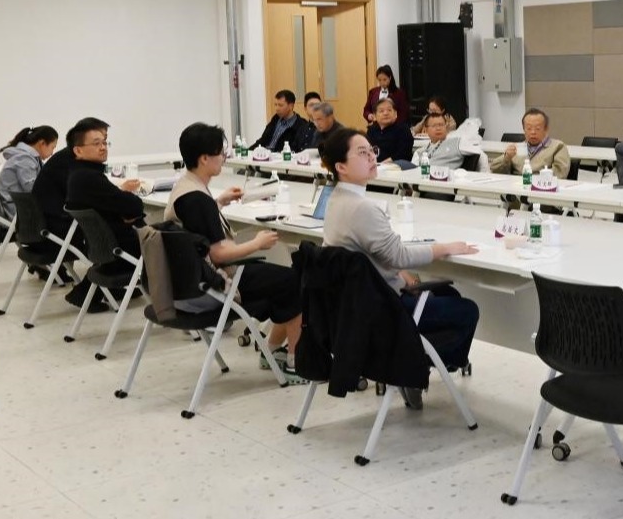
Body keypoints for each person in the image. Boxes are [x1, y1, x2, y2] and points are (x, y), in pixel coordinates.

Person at [320, 128, 480, 409]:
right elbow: (399, 255)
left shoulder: (336, 200)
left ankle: (412, 365)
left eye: (372, 151)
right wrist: (444, 248)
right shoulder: (362, 208)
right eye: (362, 153)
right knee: (467, 310)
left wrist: (396, 273)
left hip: (354, 308)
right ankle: (412, 366)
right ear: (341, 167)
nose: (372, 157)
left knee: (448, 294)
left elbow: (369, 258)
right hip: (383, 310)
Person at [167, 123, 306, 383]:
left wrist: (219, 203)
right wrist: (257, 243)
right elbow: (219, 254)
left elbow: (197, 227)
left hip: (190, 281)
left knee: (280, 279)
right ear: (204, 158)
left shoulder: (186, 188)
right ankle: (295, 361)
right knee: (293, 279)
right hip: (215, 282)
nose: (224, 158)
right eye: (220, 153)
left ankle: (271, 351)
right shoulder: (197, 200)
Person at [31, 117, 118, 309]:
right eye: (97, 141)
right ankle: (89, 291)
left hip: (45, 226)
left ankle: (111, 286)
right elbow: (87, 200)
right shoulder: (76, 165)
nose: (103, 146)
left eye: (105, 140)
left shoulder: (67, 159)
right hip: (55, 230)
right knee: (112, 235)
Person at [65, 123, 147, 280]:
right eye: (96, 144)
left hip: (104, 252)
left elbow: (120, 205)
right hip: (123, 252)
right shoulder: (90, 178)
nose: (103, 147)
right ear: (78, 150)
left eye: (104, 142)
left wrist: (124, 213)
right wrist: (126, 213)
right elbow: (135, 206)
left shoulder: (77, 174)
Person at [0, 125, 59, 219]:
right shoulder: (24, 159)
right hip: (15, 212)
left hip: (14, 208)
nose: (52, 153)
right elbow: (34, 189)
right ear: (42, 143)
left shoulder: (29, 158)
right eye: (52, 147)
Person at [490, 108, 571, 177]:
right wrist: (506, 158)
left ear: (546, 129)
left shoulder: (558, 147)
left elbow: (560, 174)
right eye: (529, 128)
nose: (533, 132)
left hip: (542, 187)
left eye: (537, 128)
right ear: (523, 129)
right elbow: (494, 170)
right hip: (516, 187)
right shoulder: (517, 148)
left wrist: (530, 179)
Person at [366, 98, 414, 165]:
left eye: (389, 110)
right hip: (375, 167)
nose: (386, 113)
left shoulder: (403, 129)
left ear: (395, 114)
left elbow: (403, 154)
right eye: (381, 111)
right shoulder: (371, 131)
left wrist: (381, 165)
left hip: (398, 167)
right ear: (374, 116)